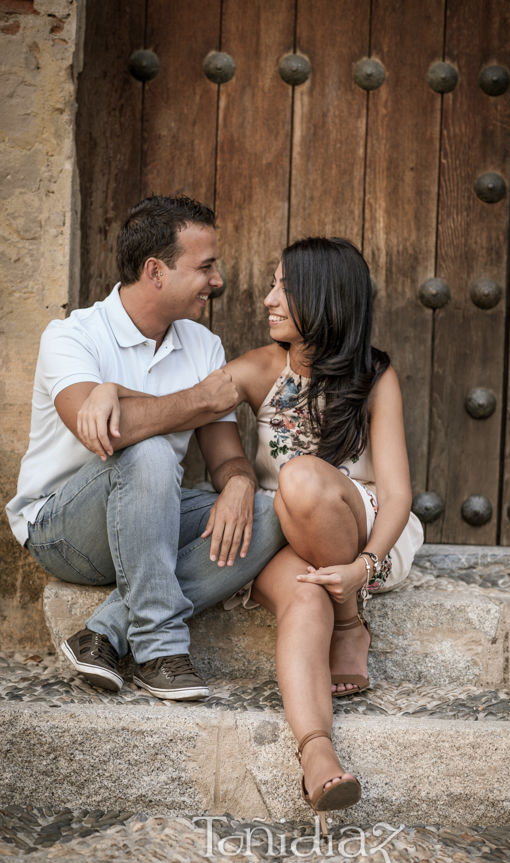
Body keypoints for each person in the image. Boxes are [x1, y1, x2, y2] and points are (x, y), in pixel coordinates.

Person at [78, 236, 423, 830]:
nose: (267, 298)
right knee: (303, 593)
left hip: (360, 530)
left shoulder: (375, 375)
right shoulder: (263, 367)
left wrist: (364, 565)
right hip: (279, 534)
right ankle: (318, 753)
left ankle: (351, 619)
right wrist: (108, 391)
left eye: (283, 286)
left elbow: (396, 494)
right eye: (272, 283)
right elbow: (185, 403)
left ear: (324, 295)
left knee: (304, 480)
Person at [5, 195, 286, 701]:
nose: (217, 280)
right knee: (150, 449)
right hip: (64, 528)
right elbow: (106, 434)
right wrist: (199, 398)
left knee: (274, 513)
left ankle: (104, 632)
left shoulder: (203, 345)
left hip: (151, 517)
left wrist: (241, 483)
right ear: (156, 271)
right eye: (205, 267)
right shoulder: (72, 337)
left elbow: (224, 456)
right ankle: (159, 647)